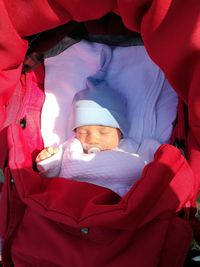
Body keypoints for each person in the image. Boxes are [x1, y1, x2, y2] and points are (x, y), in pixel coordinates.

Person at [36, 75, 161, 196]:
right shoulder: (73, 145)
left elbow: (147, 163)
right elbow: (54, 170)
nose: (92, 139)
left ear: (120, 131)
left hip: (120, 198)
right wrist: (49, 160)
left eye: (103, 132)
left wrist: (153, 151)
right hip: (76, 196)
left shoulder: (128, 146)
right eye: (84, 132)